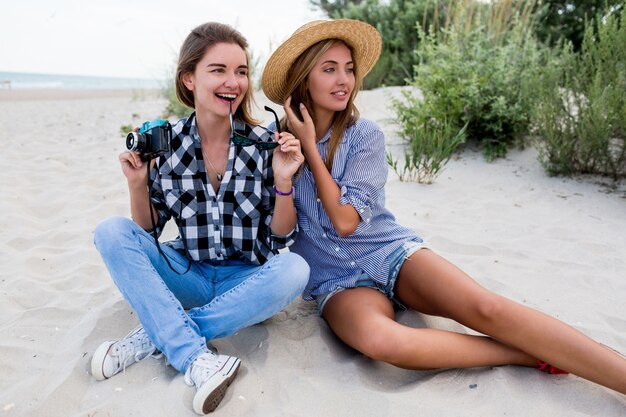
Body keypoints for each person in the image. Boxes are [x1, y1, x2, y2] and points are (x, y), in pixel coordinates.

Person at [261, 19, 626, 395]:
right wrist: (286, 178)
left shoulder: (364, 136)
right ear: (305, 79)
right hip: (337, 282)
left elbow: (345, 222)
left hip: (389, 254)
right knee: (385, 344)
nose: (344, 80)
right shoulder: (277, 147)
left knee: (487, 309)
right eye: (329, 69)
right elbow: (283, 232)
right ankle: (524, 355)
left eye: (349, 69)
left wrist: (313, 152)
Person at [91, 22, 309, 415]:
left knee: (294, 268)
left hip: (246, 282)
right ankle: (188, 346)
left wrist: (282, 179)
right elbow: (147, 233)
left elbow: (281, 236)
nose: (233, 82)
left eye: (241, 71)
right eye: (218, 70)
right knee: (111, 231)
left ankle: (162, 335)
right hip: (187, 275)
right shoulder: (166, 144)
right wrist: (138, 184)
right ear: (189, 79)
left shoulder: (262, 141)